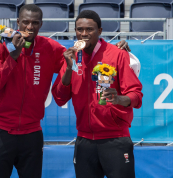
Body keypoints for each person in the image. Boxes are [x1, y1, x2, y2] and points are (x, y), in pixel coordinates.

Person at [0, 4, 131, 178]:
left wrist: (114, 50)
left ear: (41, 24)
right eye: (25, 22)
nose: (29, 27)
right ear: (18, 22)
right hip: (0, 130)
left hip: (31, 134)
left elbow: (81, 55)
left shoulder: (50, 47)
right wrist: (12, 58)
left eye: (35, 23)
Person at [52, 10, 143, 178]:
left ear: (100, 31)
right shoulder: (72, 57)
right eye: (79, 29)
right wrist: (69, 68)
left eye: (89, 29)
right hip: (84, 140)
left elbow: (136, 96)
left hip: (115, 138)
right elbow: (59, 98)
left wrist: (118, 99)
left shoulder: (117, 54)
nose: (84, 34)